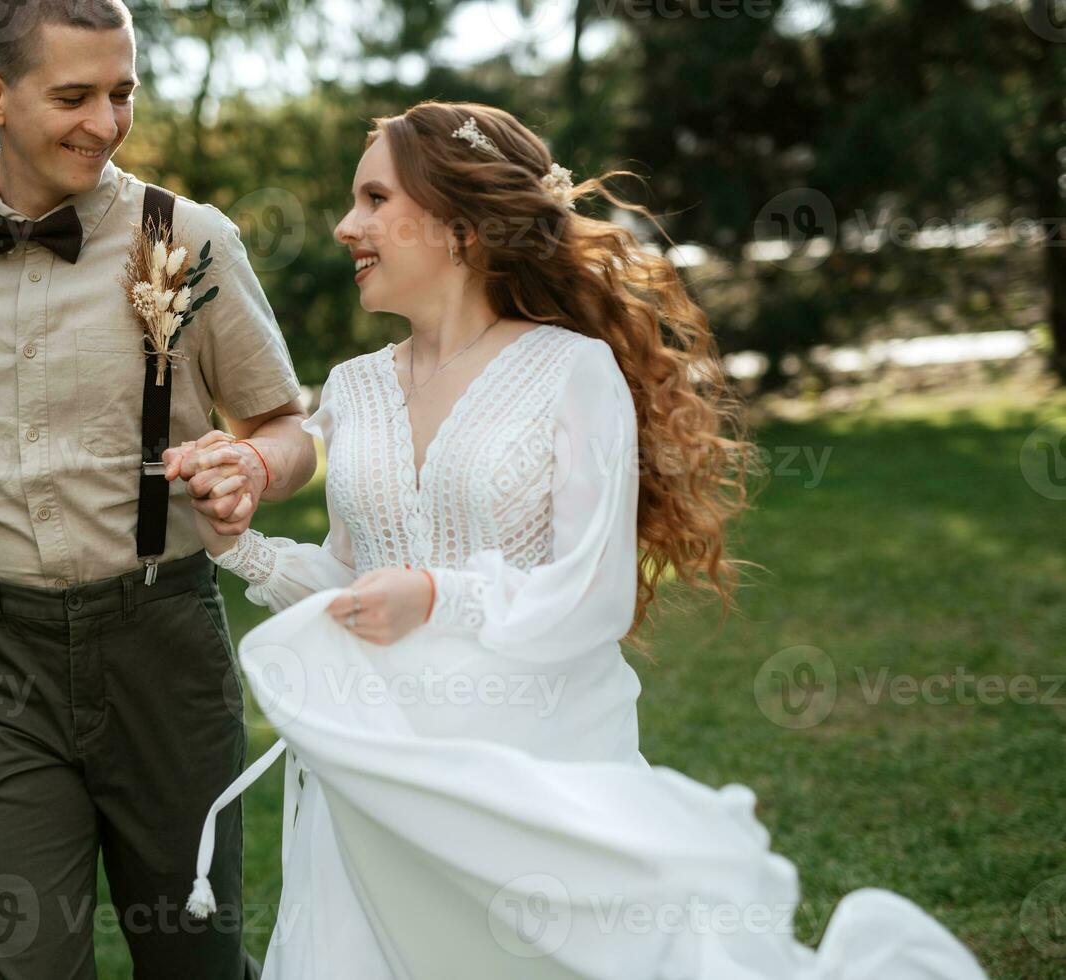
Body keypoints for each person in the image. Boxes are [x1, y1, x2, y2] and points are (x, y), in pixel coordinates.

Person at [179, 101, 990, 979]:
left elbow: (593, 591)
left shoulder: (572, 372)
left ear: (460, 223)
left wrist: (445, 597)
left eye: (374, 199)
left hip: (529, 765)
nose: (346, 226)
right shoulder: (353, 386)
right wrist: (239, 547)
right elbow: (354, 582)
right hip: (382, 773)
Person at [0, 1, 317, 976]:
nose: (105, 121)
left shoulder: (190, 239)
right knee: (26, 960)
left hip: (161, 646)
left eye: (121, 92)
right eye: (73, 95)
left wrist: (253, 464)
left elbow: (285, 423)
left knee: (193, 960)